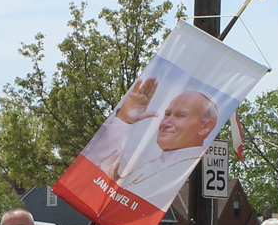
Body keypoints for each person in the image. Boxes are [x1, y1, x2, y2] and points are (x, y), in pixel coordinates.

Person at [84, 77, 218, 210]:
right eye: (167, 114)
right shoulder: (148, 162)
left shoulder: (189, 172)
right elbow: (88, 175)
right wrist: (123, 120)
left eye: (180, 115)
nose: (167, 123)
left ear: (205, 126)